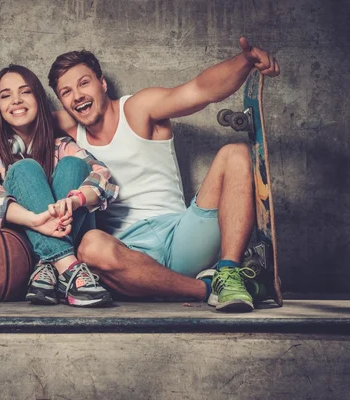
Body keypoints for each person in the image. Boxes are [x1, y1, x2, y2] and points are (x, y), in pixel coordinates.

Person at [48, 37, 280, 312]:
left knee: (237, 153)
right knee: (89, 247)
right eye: (66, 92)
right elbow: (22, 122)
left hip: (182, 236)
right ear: (62, 101)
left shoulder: (138, 108)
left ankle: (228, 272)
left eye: (84, 83)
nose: (77, 96)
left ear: (102, 83)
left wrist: (244, 62)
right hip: (128, 256)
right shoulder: (68, 129)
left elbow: (200, 90)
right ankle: (206, 288)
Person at [0, 65, 118, 307]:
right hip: (21, 249)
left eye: (25, 92)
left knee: (73, 165)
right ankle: (68, 269)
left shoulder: (61, 144)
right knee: (23, 168)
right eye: (6, 95)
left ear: (38, 98)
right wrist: (35, 220)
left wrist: (74, 201)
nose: (16, 101)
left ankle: (49, 266)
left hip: (71, 234)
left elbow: (104, 177)